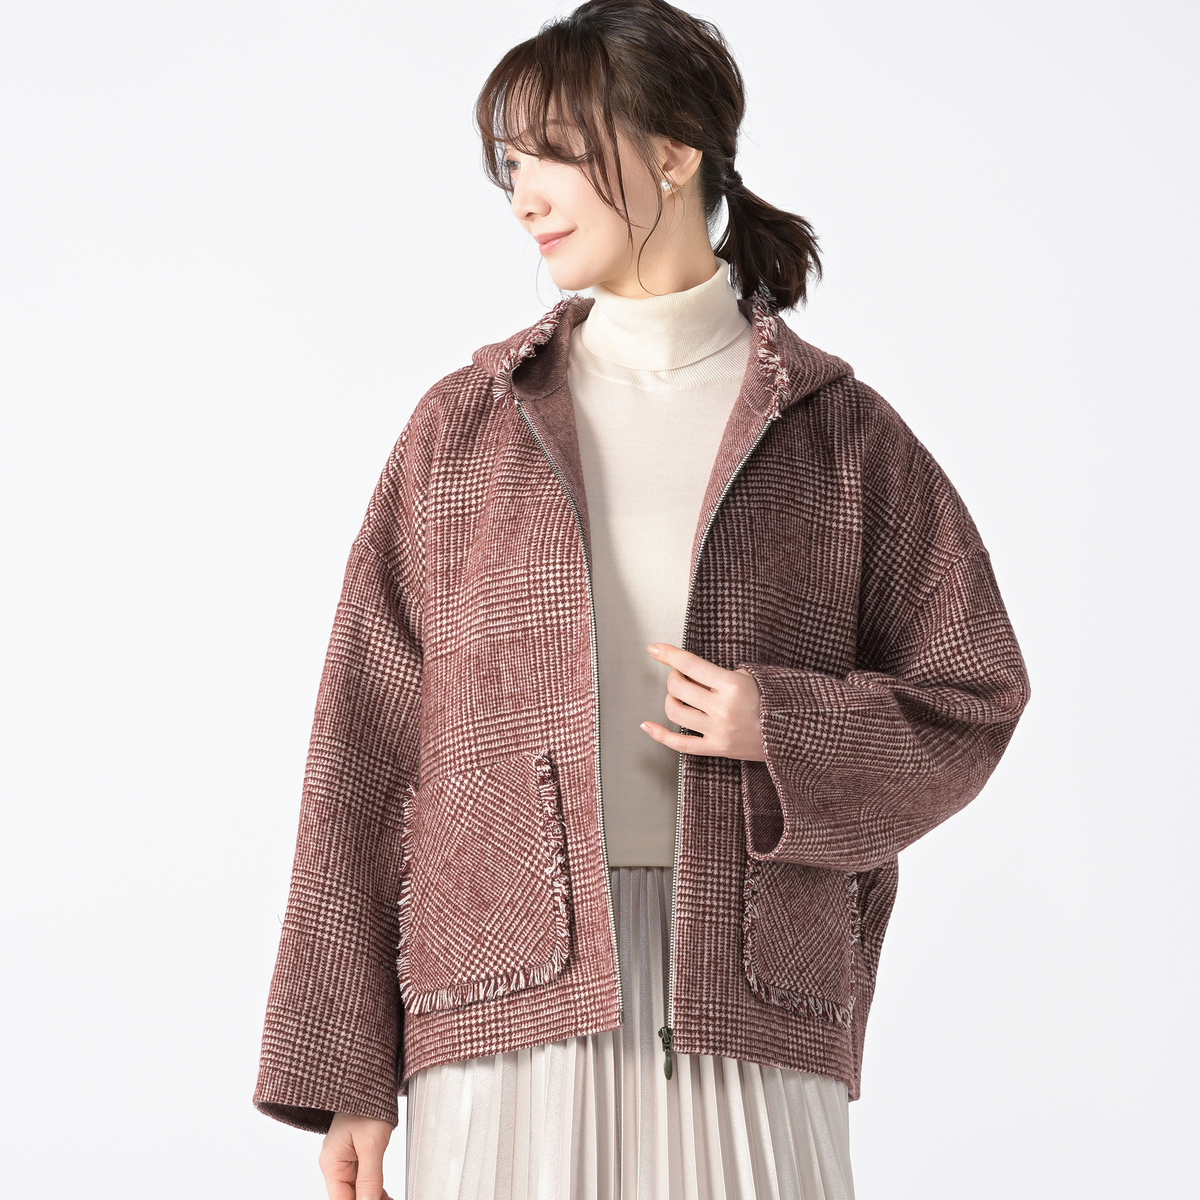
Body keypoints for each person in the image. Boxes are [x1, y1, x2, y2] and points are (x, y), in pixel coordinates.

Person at [252, 2, 1031, 1197]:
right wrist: (349, 1069)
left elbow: (973, 695)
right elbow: (363, 748)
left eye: (556, 154)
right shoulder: (462, 430)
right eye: (511, 165)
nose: (526, 196)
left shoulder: (839, 436)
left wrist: (782, 726)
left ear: (673, 153)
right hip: (498, 999)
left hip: (746, 995)